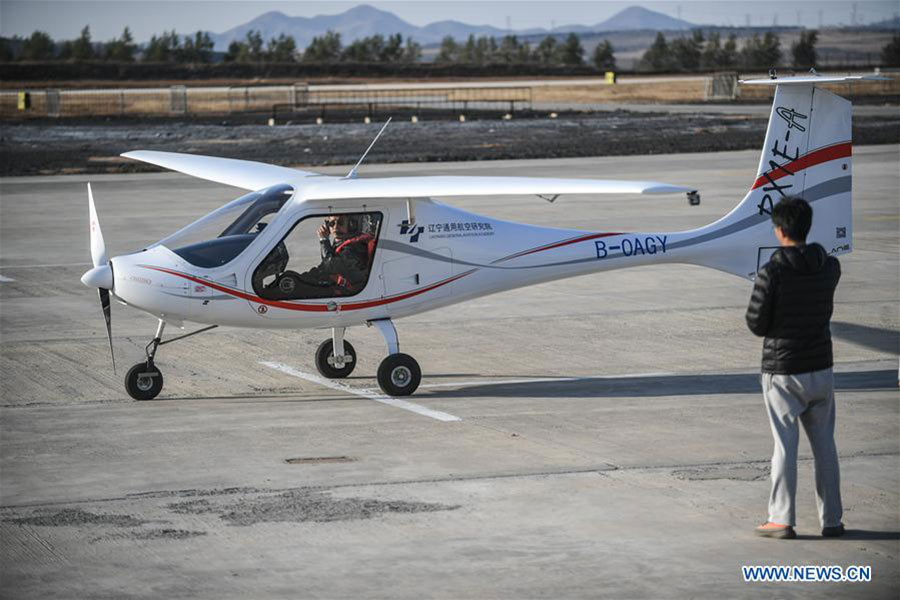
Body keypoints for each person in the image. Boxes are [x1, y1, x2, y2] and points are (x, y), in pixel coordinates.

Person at [746, 196, 844, 540]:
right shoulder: (829, 267)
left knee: (785, 447)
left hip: (784, 371)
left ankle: (781, 519)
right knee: (825, 447)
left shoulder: (772, 272)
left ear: (779, 230)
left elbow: (756, 323)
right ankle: (832, 519)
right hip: (821, 367)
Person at [262, 214, 374, 300]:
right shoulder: (343, 243)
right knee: (291, 277)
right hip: (335, 286)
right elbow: (324, 268)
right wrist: (302, 278)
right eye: (331, 223)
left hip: (343, 293)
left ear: (352, 225)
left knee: (292, 284)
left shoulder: (355, 247)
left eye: (340, 222)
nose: (335, 227)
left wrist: (324, 240)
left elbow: (330, 265)